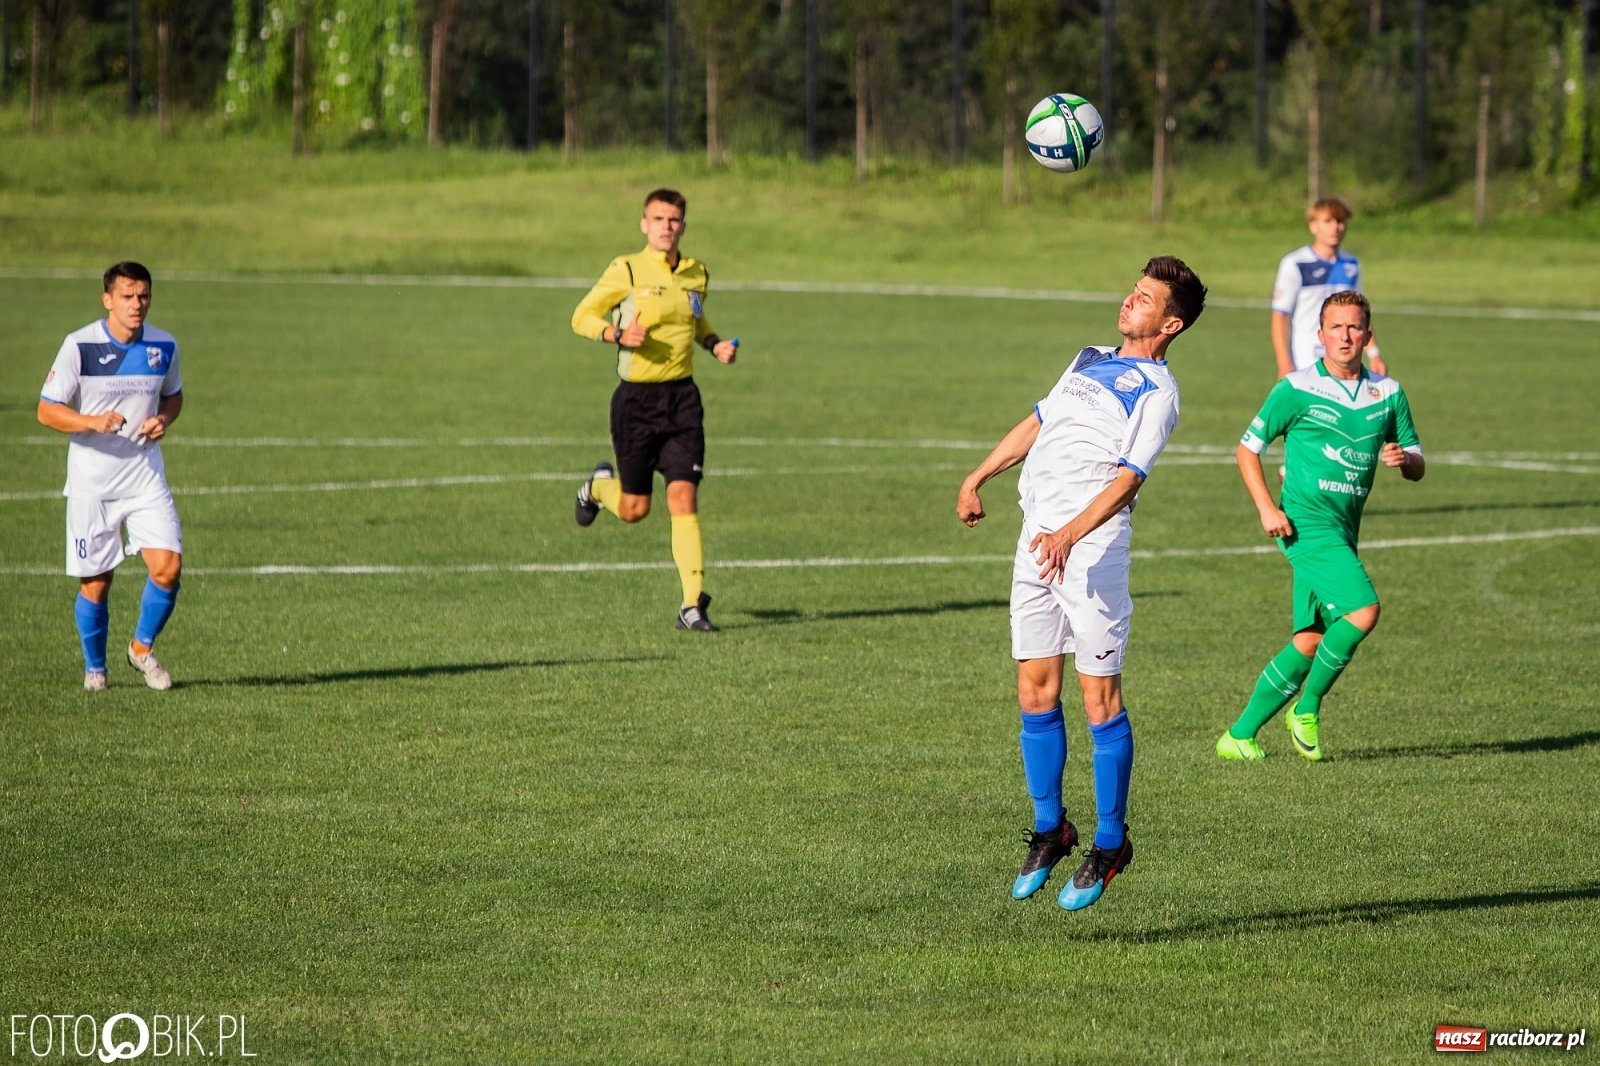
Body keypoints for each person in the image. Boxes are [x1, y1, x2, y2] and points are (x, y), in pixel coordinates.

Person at [957, 256, 1207, 911]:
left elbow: (1128, 480)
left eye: (1146, 299)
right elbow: (1038, 420)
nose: (1131, 301)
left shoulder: (1160, 391)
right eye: (1134, 290)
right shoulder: (1090, 355)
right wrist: (977, 476)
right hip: (1037, 540)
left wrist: (1071, 533)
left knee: (1099, 700)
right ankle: (1050, 830)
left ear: (1171, 322)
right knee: (1035, 689)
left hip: (1092, 553)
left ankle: (1110, 842)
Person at [1217, 291, 1425, 762]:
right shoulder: (1296, 388)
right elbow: (1247, 449)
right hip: (1303, 525)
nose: (1346, 336)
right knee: (1363, 611)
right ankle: (1306, 707)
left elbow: (1417, 461)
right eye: (1336, 327)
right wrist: (1267, 508)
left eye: (1354, 327)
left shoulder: (1388, 393)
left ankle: (1239, 735)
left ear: (1367, 335)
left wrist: (1403, 459)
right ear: (1320, 335)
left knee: (1310, 640)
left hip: (1344, 527)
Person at [570, 188, 739, 632]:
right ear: (644, 224)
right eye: (659, 218)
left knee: (683, 496)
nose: (667, 226)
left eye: (675, 219)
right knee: (634, 509)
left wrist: (713, 344)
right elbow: (581, 316)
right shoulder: (625, 269)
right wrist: (615, 335)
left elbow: (696, 319)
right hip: (637, 403)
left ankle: (691, 607)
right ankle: (596, 488)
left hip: (683, 401)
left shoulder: (696, 273)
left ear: (684, 225)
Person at [36, 262, 185, 691]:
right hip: (93, 483)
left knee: (168, 568)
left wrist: (163, 419)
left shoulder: (164, 346)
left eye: (143, 296)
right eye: (127, 296)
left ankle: (140, 649)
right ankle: (95, 669)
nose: (136, 304)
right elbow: (46, 410)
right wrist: (91, 421)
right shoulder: (78, 346)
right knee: (97, 583)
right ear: (108, 300)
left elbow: (173, 396)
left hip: (143, 475)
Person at [1271, 198, 1385, 378]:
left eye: (1340, 221)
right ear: (1313, 226)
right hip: (1305, 359)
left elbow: (1359, 314)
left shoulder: (1351, 265)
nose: (1335, 227)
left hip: (1342, 358)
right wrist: (1284, 362)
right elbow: (1280, 316)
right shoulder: (1296, 264)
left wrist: (1374, 354)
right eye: (1328, 221)